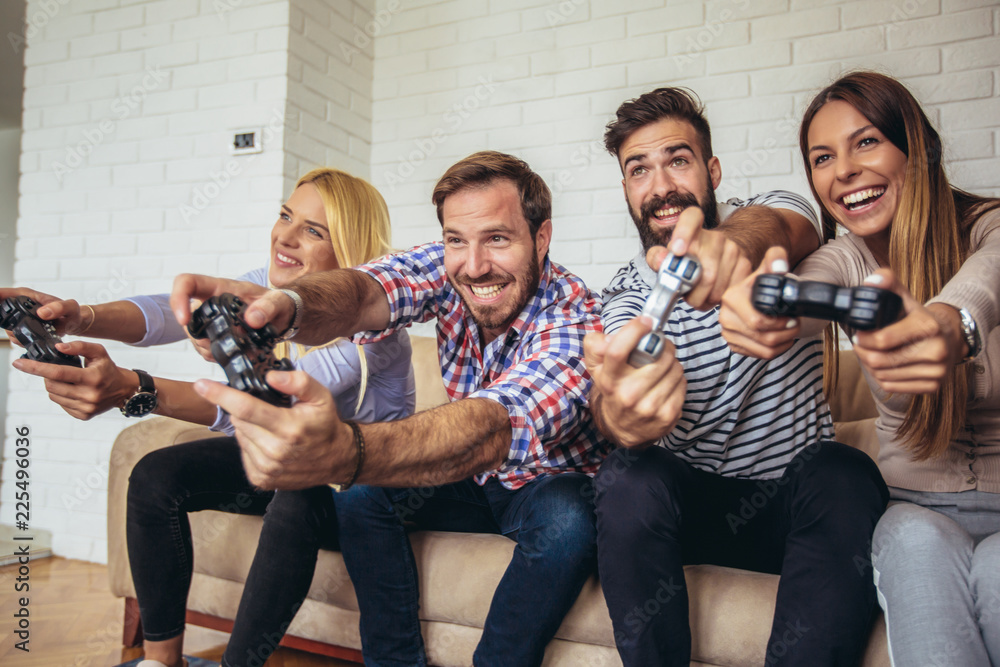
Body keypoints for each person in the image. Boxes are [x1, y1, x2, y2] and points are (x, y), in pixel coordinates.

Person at [169, 151, 610, 667]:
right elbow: (364, 291)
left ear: (541, 238)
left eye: (497, 238)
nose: (474, 265)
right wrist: (286, 308)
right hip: (477, 478)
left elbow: (496, 422)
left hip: (544, 480)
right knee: (362, 493)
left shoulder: (577, 316)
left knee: (570, 519)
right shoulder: (450, 267)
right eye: (456, 240)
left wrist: (351, 449)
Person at [3, 167, 415, 667]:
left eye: (313, 230)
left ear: (349, 250)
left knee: (297, 497)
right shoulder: (271, 288)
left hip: (356, 488)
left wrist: (134, 387)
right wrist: (80, 315)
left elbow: (270, 406)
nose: (285, 236)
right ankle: (162, 660)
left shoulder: (377, 327)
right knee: (156, 474)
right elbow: (170, 311)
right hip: (288, 461)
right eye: (286, 216)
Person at [583, 87, 889, 666]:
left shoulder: (776, 213)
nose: (661, 184)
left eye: (678, 159)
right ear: (625, 188)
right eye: (638, 169)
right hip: (689, 508)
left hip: (790, 507)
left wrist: (729, 249)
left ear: (712, 170)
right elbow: (619, 389)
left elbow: (777, 226)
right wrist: (623, 411)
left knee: (846, 470)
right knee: (624, 473)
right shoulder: (625, 292)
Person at [720, 71, 1000, 666]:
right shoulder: (842, 260)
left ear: (917, 149)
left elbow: (987, 281)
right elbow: (798, 299)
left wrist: (952, 324)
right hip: (913, 509)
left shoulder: (990, 229)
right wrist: (759, 309)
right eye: (823, 157)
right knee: (913, 546)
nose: (842, 170)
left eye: (866, 142)